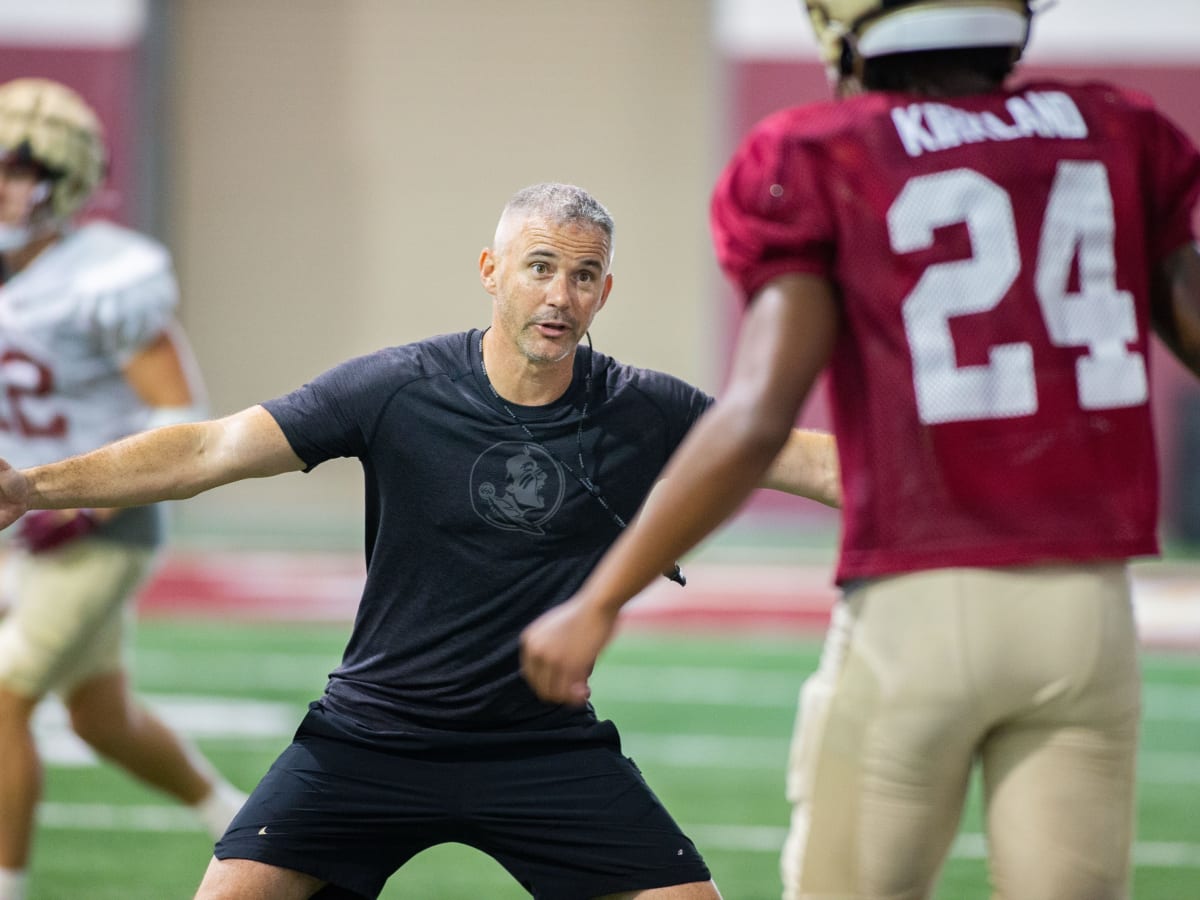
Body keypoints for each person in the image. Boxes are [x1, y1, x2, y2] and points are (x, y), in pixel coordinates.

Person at [519, 4, 1200, 900]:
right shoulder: (1116, 130)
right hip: (1093, 613)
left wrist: (602, 596)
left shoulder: (822, 152)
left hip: (921, 602)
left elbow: (758, 413)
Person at [0, 181, 840, 900]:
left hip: (543, 746)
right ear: (492, 272)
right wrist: (33, 486)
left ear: (604, 294)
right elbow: (209, 448)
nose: (559, 296)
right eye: (540, 268)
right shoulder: (396, 387)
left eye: (583, 277)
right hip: (371, 737)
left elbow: (812, 463)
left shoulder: (642, 408)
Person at [0, 78, 248, 900]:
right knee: (97, 716)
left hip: (97, 527)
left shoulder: (105, 277)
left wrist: (83, 503)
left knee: (3, 700)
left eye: (12, 169)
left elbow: (180, 411)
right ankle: (237, 818)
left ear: (58, 182)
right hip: (22, 520)